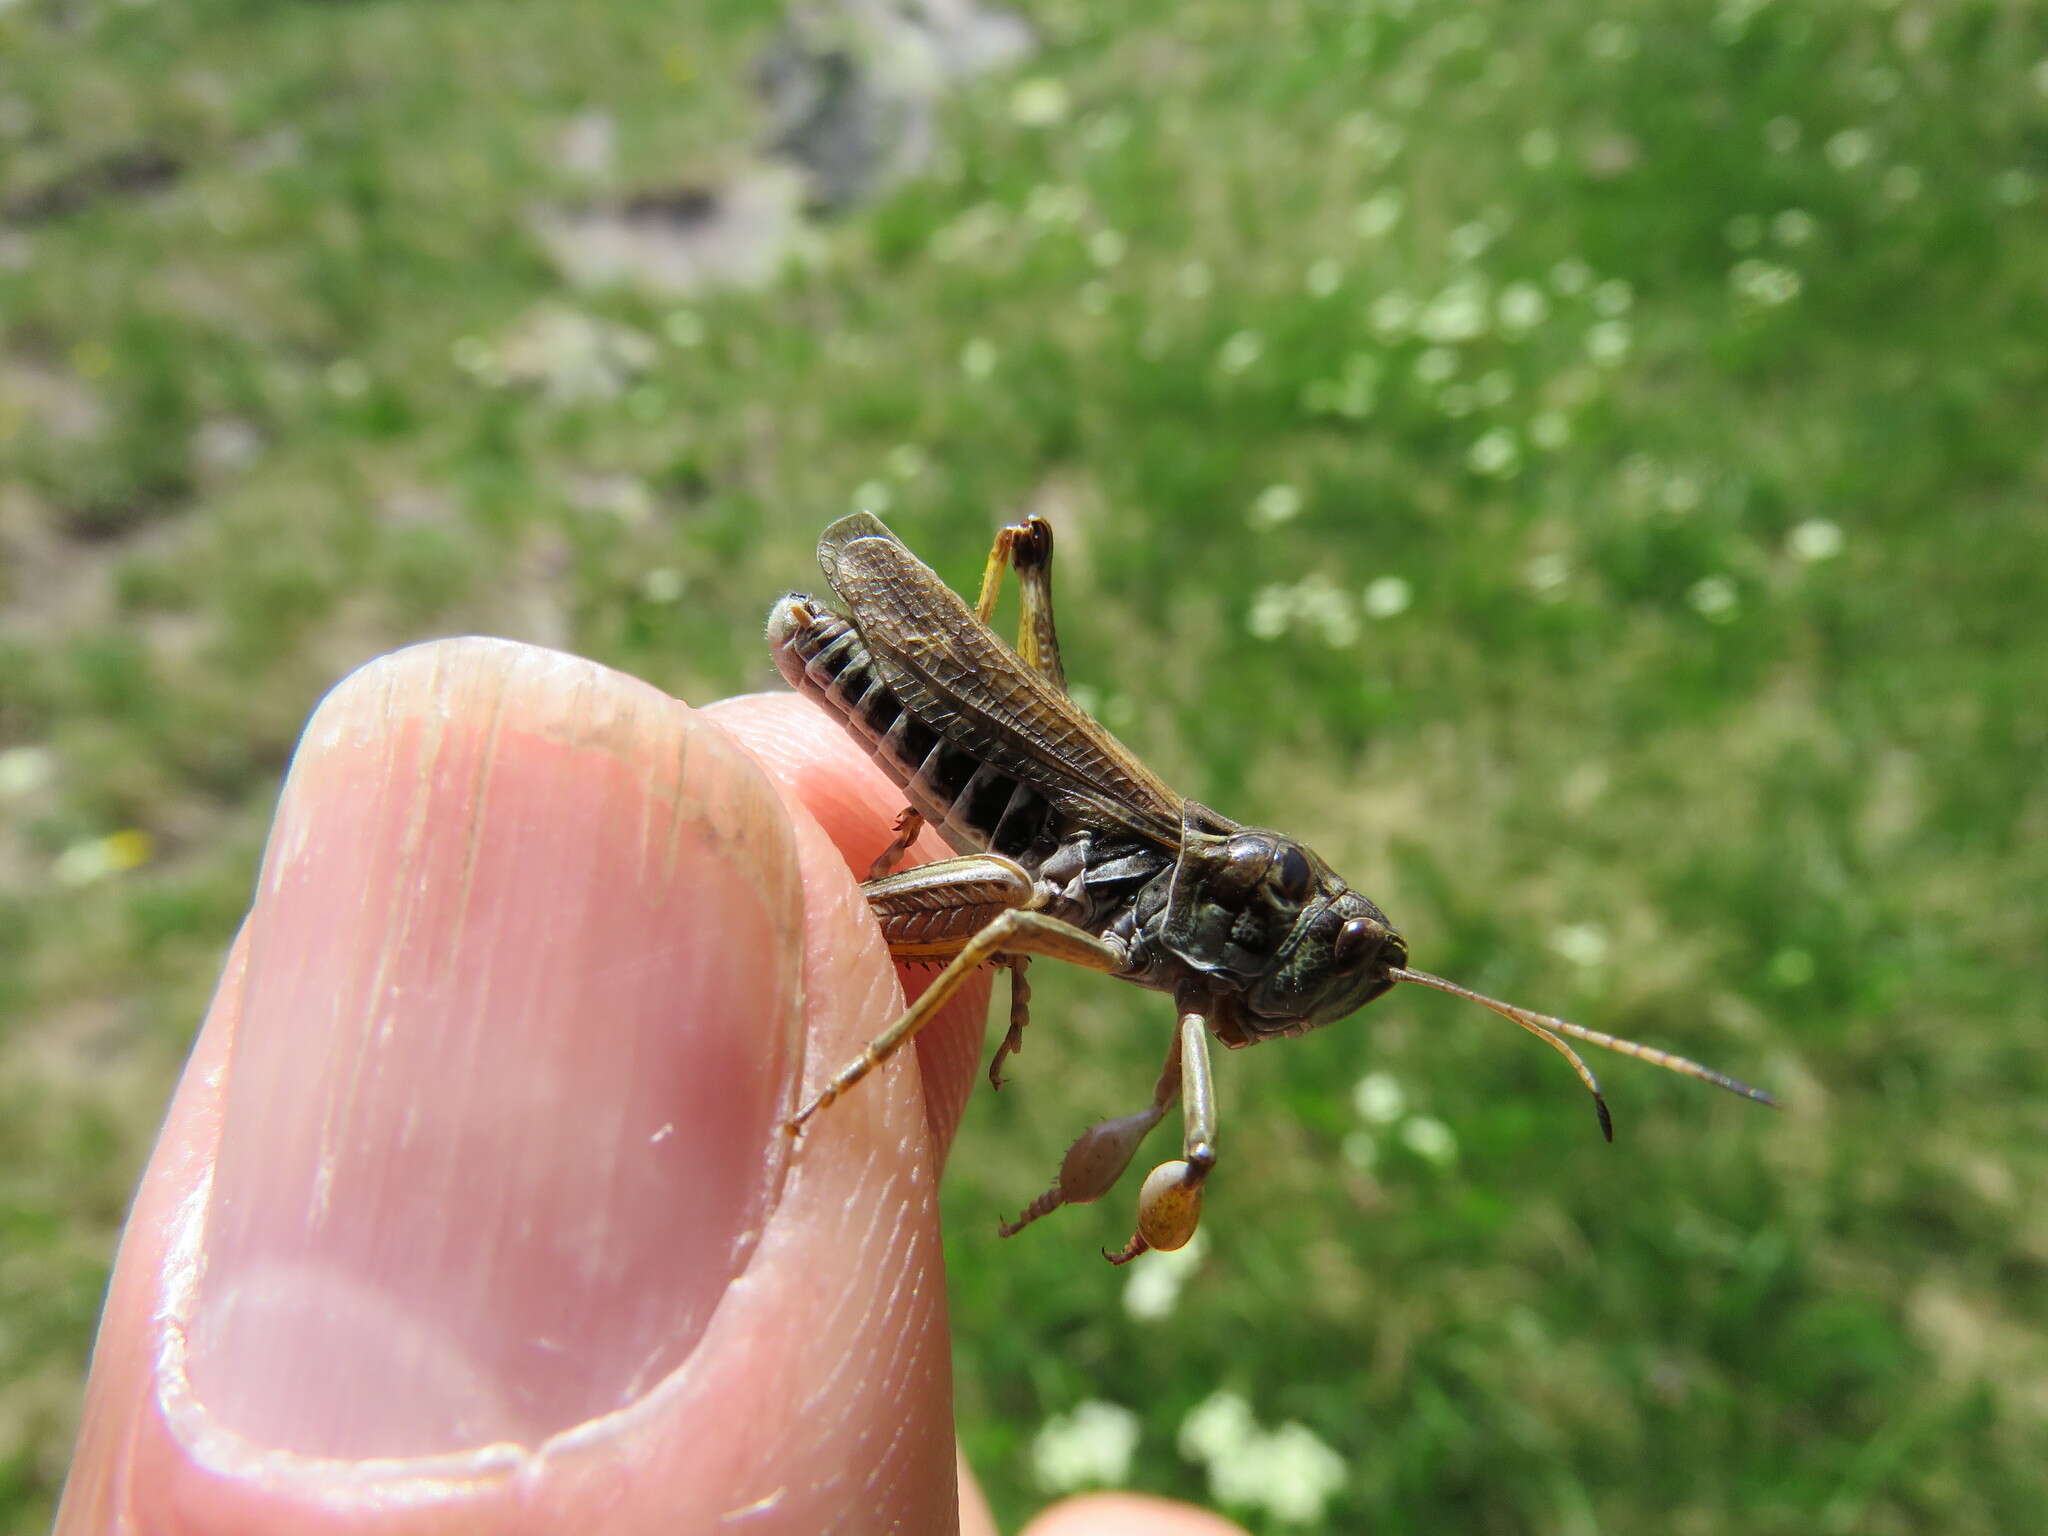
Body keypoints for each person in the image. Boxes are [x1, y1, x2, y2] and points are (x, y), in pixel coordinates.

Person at [57, 638, 1244, 1536]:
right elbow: (1005, 937)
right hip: (1006, 806)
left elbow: (1154, 1096)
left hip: (1032, 871)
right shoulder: (1195, 902)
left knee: (963, 934)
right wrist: (881, 1059)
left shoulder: (1198, 983)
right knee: (941, 932)